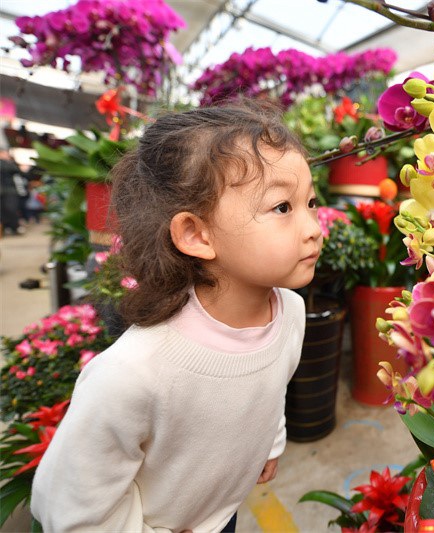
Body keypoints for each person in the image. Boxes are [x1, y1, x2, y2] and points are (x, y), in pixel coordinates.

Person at [31, 100, 322, 532]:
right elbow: (69, 509)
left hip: (223, 512)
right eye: (282, 207)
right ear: (196, 234)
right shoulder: (133, 373)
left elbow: (269, 386)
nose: (314, 226)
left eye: (311, 202)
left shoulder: (291, 312)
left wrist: (271, 442)